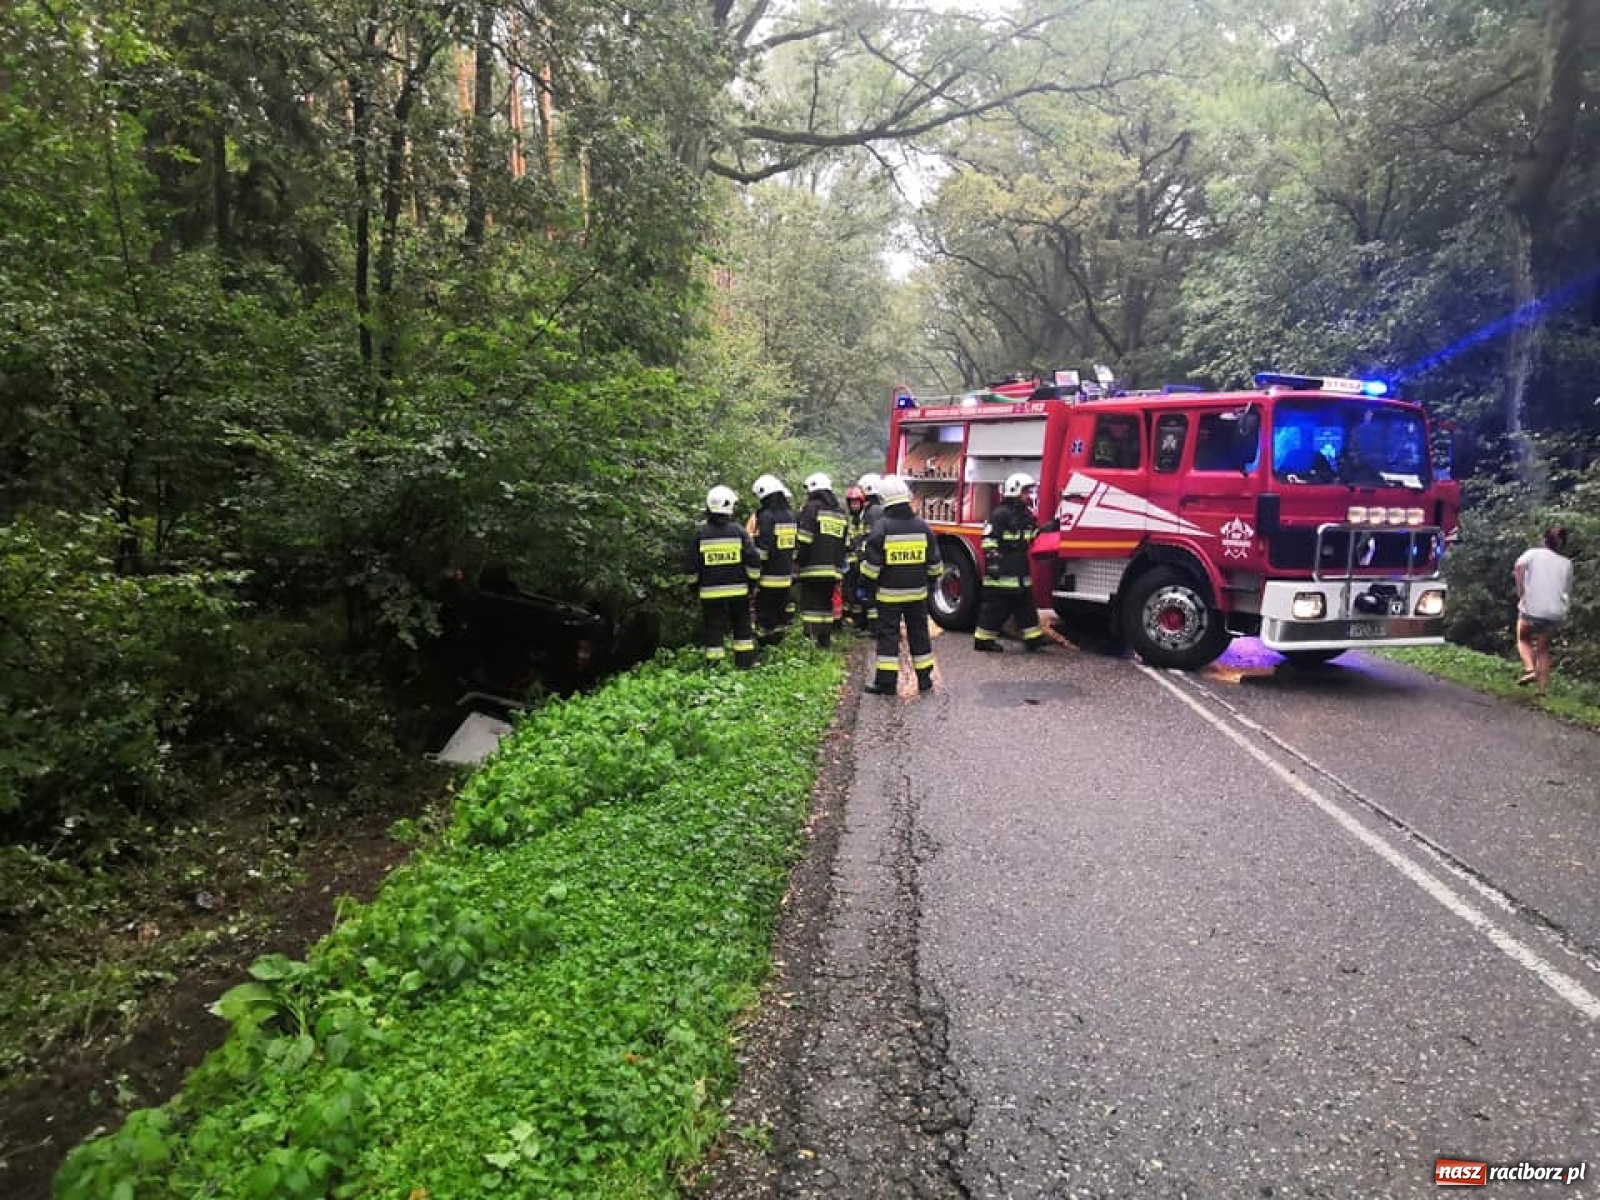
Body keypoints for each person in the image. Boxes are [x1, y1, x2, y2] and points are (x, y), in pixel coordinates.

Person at [860, 475, 942, 695]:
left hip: (889, 596)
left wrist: (866, 587)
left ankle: (886, 683)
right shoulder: (923, 526)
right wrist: (930, 584)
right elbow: (935, 565)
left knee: (889, 637)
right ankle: (924, 679)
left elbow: (872, 567)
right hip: (917, 595)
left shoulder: (882, 527)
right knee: (919, 634)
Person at [683, 485, 760, 669]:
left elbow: (691, 567)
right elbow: (753, 561)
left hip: (710, 594)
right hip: (739, 592)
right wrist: (752, 583)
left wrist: (694, 588)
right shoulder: (739, 532)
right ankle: (745, 665)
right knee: (742, 627)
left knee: (713, 629)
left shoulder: (701, 534)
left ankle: (714, 667)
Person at [974, 472, 1049, 652]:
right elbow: (989, 539)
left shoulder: (1025, 514)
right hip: (1003, 569)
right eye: (1025, 492)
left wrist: (1047, 529)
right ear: (1015, 491)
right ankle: (983, 640)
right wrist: (993, 561)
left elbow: (1029, 536)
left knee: (1025, 604)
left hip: (1019, 568)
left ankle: (1033, 638)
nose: (1028, 496)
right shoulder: (1000, 514)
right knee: (996, 607)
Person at [1513, 524, 1573, 697]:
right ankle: (1542, 691)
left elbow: (1518, 566)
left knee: (1523, 638)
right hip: (1554, 612)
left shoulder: (1533, 553)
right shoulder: (1567, 564)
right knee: (1543, 649)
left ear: (1544, 540)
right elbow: (1566, 590)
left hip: (1532, 608)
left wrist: (1521, 590)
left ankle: (1530, 669)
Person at [795, 472, 848, 648]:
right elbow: (845, 543)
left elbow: (804, 538)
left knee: (811, 605)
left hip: (813, 568)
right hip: (834, 569)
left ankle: (810, 641)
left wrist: (797, 561)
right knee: (826, 605)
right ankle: (824, 640)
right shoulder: (840, 512)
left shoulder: (811, 508)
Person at [751, 473, 798, 647]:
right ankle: (777, 647)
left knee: (765, 616)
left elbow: (764, 548)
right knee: (780, 616)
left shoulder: (766, 516)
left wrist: (754, 564)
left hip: (769, 577)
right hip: (785, 575)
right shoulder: (790, 515)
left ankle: (764, 647)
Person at [856, 473, 886, 632]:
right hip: (877, 559)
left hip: (871, 560)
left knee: (871, 594)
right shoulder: (878, 509)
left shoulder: (872, 512)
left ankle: (873, 629)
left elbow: (870, 539)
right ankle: (874, 627)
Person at [842, 484, 869, 630]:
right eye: (851, 502)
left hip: (860, 562)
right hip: (850, 562)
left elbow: (866, 539)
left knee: (859, 592)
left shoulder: (864, 519)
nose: (854, 505)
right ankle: (850, 618)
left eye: (856, 502)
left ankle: (859, 621)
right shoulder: (850, 520)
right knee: (849, 590)